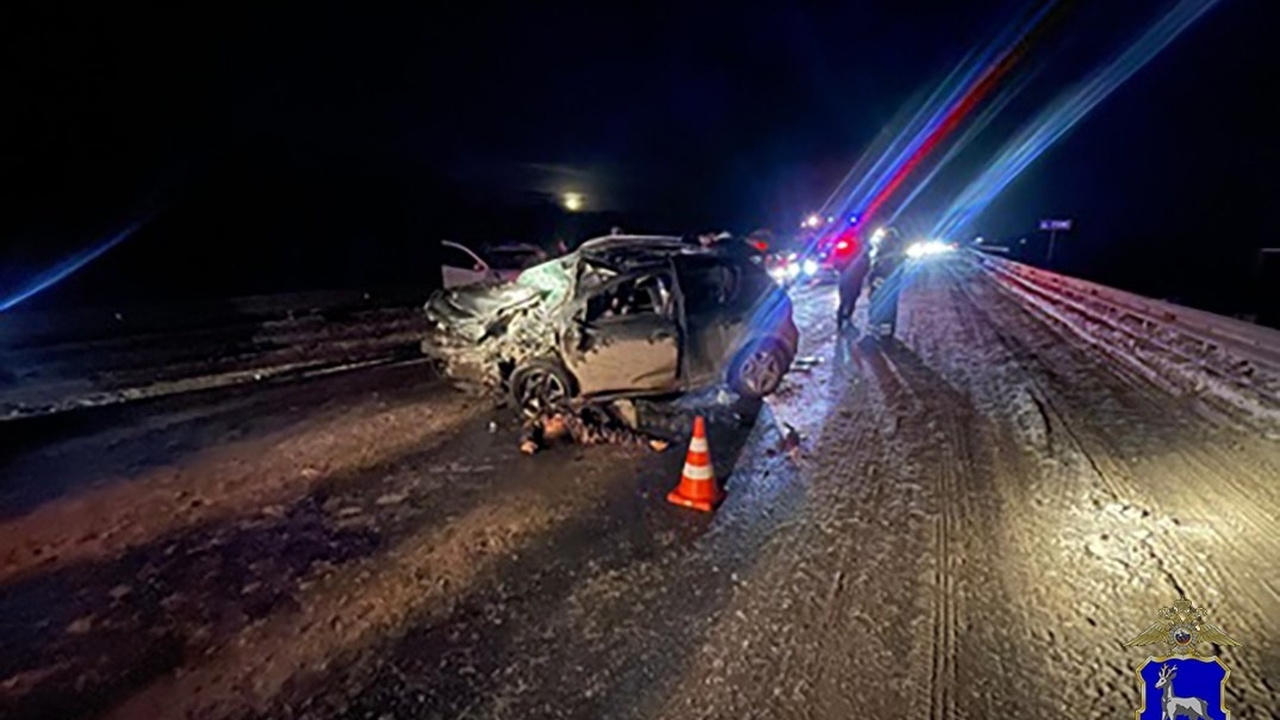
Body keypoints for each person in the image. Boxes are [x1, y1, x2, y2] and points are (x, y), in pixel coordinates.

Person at [519, 401, 670, 455]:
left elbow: (533, 425)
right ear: (562, 429)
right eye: (552, 425)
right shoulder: (584, 431)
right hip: (618, 407)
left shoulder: (550, 417)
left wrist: (528, 441)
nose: (550, 421)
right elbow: (615, 436)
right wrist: (648, 442)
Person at [867, 227, 906, 339]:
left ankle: (879, 335)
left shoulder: (885, 256)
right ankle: (884, 335)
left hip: (884, 288)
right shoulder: (894, 255)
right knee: (887, 313)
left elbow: (877, 273)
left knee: (881, 312)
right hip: (889, 288)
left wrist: (874, 289)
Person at [836, 239, 871, 332]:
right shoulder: (846, 251)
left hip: (856, 281)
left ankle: (847, 318)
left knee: (852, 300)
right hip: (846, 281)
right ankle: (840, 322)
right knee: (844, 301)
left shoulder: (863, 254)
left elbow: (867, 266)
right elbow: (837, 263)